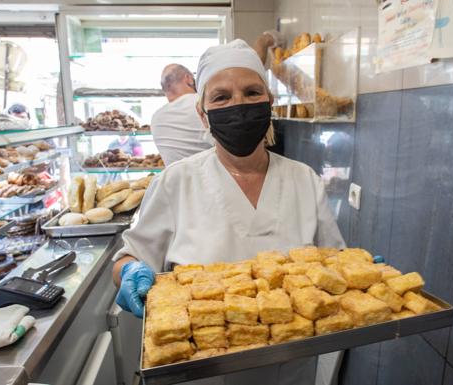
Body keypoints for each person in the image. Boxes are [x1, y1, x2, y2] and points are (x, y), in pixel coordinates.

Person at [112, 39, 345, 385]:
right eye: (221, 97)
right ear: (202, 112)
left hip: (289, 367)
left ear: (270, 101)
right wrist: (130, 272)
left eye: (252, 92)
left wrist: (357, 275)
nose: (239, 105)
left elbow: (333, 263)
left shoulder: (303, 179)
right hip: (198, 371)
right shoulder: (177, 181)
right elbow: (128, 257)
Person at [150, 64, 214, 165]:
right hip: (213, 177)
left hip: (176, 180)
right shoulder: (203, 102)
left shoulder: (156, 118)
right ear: (188, 79)